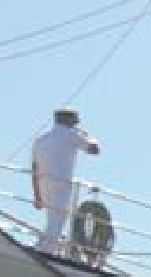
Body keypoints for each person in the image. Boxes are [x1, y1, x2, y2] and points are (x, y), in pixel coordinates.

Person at [29, 108, 101, 256]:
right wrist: (88, 136)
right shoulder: (71, 134)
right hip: (61, 185)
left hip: (43, 184)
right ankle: (44, 251)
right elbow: (95, 150)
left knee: (51, 220)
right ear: (68, 119)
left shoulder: (40, 140)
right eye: (75, 120)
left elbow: (34, 168)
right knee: (58, 220)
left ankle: (42, 246)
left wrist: (36, 195)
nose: (77, 123)